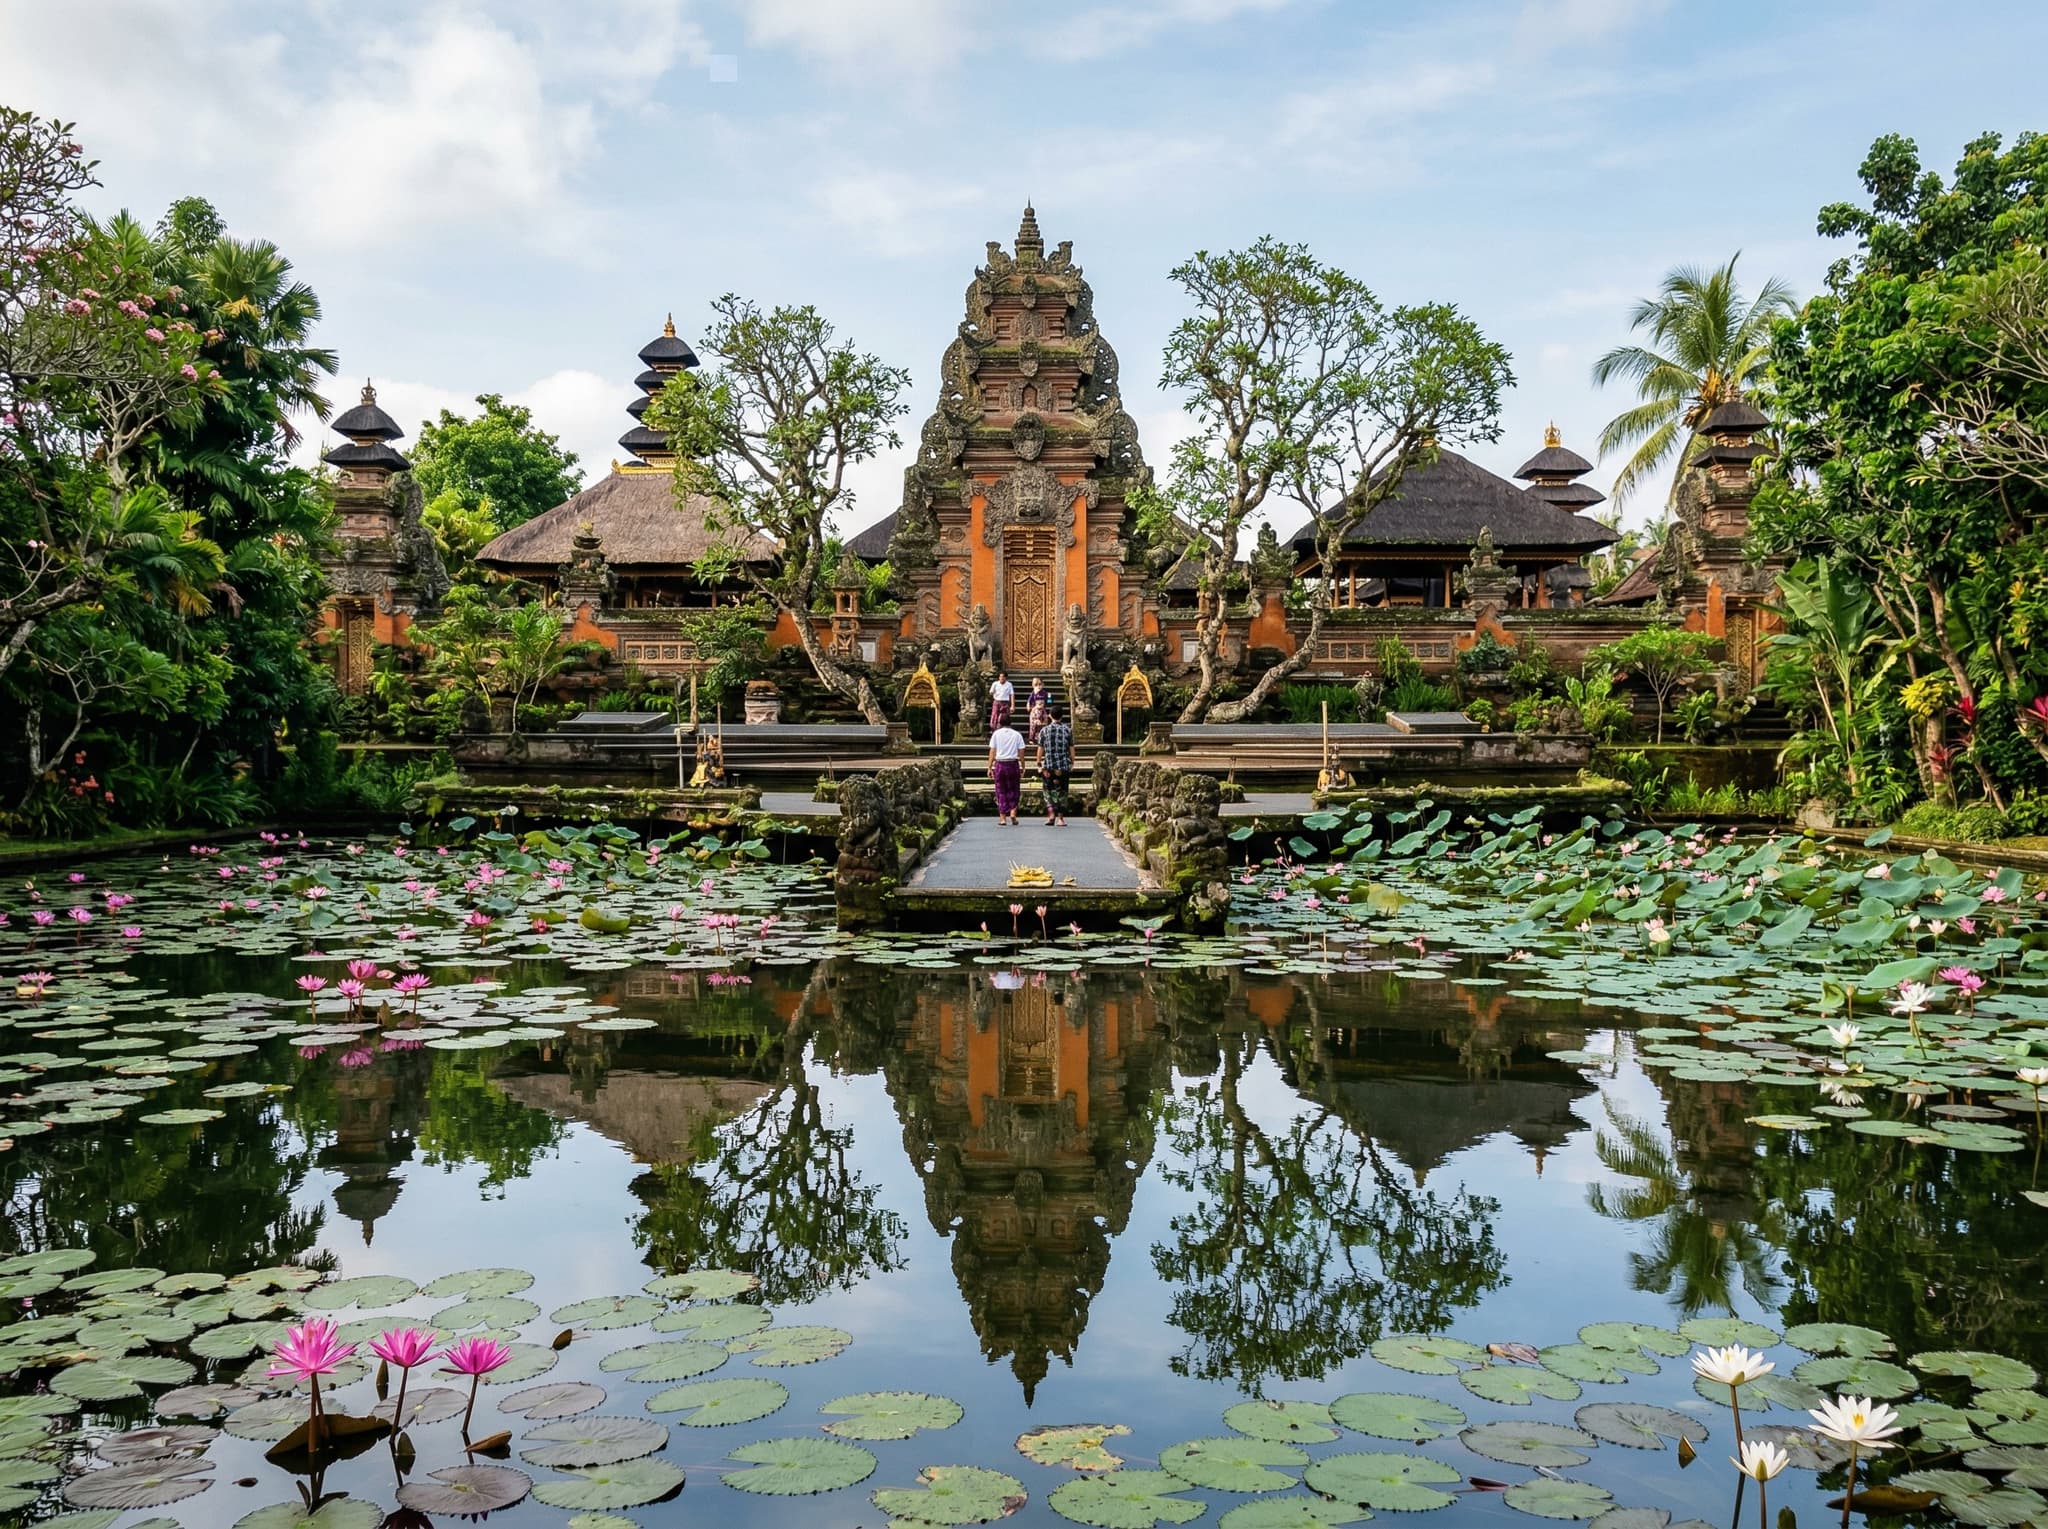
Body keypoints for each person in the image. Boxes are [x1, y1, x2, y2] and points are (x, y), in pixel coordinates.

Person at [1037, 706, 1072, 827]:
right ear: (1062, 716)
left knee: (1048, 790)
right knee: (1063, 791)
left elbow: (1040, 749)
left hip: (1049, 765)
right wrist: (1072, 762)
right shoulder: (1068, 730)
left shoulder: (1044, 731)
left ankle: (1051, 814)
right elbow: (1071, 749)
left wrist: (1039, 762)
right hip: (1063, 766)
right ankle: (1061, 818)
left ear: (1050, 716)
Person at [988, 715, 1025, 826]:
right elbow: (1021, 751)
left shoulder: (996, 734)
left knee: (1001, 790)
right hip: (1013, 763)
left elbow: (992, 751)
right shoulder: (1017, 734)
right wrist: (1023, 765)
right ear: (1010, 722)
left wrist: (989, 766)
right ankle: (1013, 812)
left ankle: (1003, 818)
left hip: (1000, 764)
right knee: (1014, 789)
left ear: (999, 722)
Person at [1025, 677, 1050, 745]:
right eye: (1037, 684)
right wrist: (1028, 706)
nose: (1038, 686)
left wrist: (1049, 698)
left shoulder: (1045, 693)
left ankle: (1043, 738)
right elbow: (1029, 701)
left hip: (1043, 710)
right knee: (1033, 725)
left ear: (1043, 685)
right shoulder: (1033, 693)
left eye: (1040, 684)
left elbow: (1050, 701)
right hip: (1035, 710)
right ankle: (1031, 738)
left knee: (1043, 724)